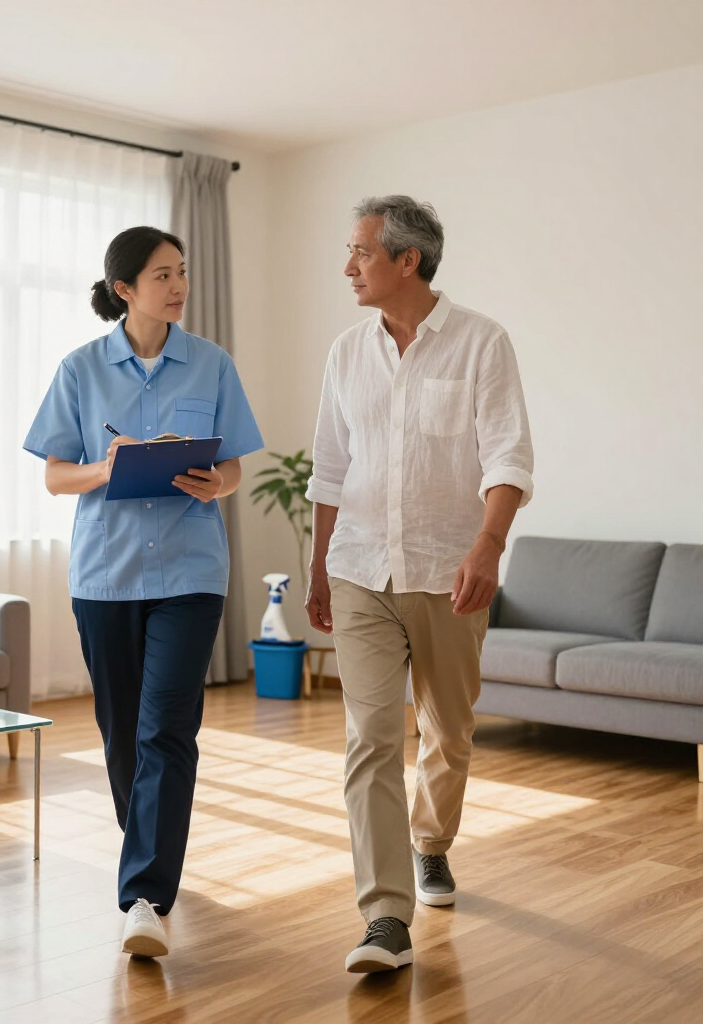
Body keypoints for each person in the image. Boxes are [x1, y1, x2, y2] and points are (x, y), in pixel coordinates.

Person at [305, 196, 534, 974]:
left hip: (448, 573)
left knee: (448, 731)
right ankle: (384, 918)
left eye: (361, 252)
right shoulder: (346, 352)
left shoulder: (481, 342)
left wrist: (488, 546)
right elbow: (330, 468)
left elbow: (508, 456)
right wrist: (318, 565)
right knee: (370, 739)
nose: (348, 267)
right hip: (360, 569)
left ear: (408, 260)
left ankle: (431, 841)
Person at [24, 225, 264, 959]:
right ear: (124, 289)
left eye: (182, 271)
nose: (179, 285)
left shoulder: (213, 365)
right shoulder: (80, 369)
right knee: (123, 734)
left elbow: (234, 468)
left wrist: (216, 483)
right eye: (163, 274)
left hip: (191, 574)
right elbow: (55, 475)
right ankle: (151, 853)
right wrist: (107, 467)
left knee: (167, 729)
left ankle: (144, 898)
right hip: (107, 576)